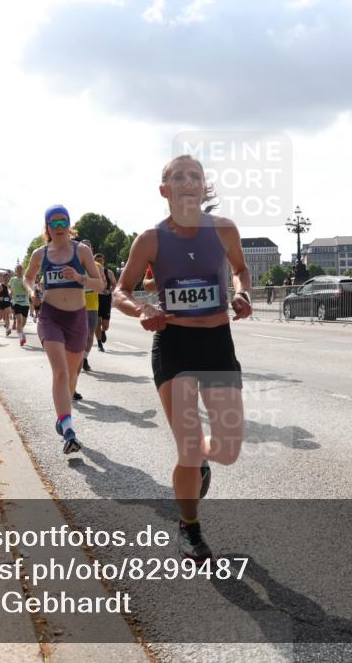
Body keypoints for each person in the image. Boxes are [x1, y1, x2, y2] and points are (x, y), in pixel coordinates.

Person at [113, 154, 252, 561]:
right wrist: (143, 309)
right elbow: (121, 290)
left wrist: (243, 294)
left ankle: (203, 466)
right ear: (165, 191)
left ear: (204, 187)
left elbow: (242, 270)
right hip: (173, 345)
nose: (188, 181)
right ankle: (189, 527)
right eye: (179, 176)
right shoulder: (150, 240)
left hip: (217, 344)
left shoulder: (224, 230)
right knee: (188, 447)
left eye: (196, 176)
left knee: (227, 450)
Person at [24, 205, 105, 454]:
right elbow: (28, 278)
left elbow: (100, 285)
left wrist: (80, 278)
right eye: (54, 223)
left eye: (63, 223)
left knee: (71, 376)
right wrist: (32, 292)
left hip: (77, 319)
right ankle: (69, 431)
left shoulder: (82, 251)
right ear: (47, 227)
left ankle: (62, 417)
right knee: (59, 372)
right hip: (50, 316)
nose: (59, 228)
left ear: (69, 225)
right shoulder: (40, 254)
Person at [80, 239, 99, 377]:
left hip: (93, 306)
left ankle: (84, 358)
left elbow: (103, 283)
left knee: (90, 335)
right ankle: (77, 357)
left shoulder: (97, 266)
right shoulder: (75, 265)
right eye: (84, 247)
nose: (86, 249)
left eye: (89, 247)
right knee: (81, 336)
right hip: (78, 306)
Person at [94, 252, 118, 351]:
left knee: (105, 325)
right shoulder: (91, 272)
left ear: (103, 261)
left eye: (101, 260)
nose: (99, 262)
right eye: (97, 260)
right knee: (97, 322)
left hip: (106, 299)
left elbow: (114, 284)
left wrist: (110, 290)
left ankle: (103, 332)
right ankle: (99, 344)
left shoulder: (108, 272)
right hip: (95, 299)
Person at [10, 264, 31, 346]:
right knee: (18, 320)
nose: (19, 269)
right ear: (15, 270)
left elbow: (30, 288)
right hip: (16, 302)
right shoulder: (12, 279)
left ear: (23, 270)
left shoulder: (26, 279)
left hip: (25, 302)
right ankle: (21, 338)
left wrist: (25, 288)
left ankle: (20, 331)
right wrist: (10, 292)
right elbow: (10, 288)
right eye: (17, 268)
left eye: (20, 268)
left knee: (23, 322)